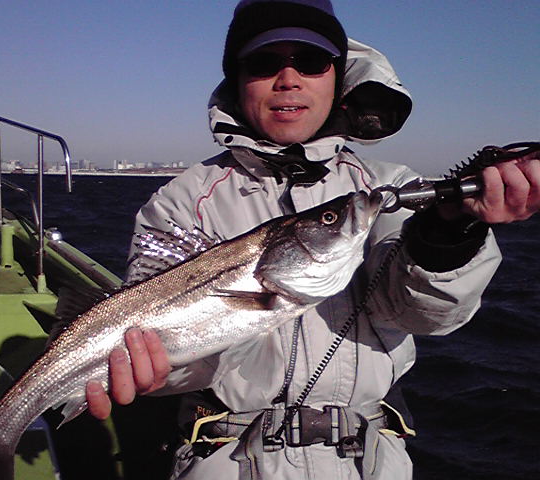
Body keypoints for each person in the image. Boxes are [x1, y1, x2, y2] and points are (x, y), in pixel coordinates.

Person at [86, 1, 540, 478]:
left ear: (340, 79)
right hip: (225, 458)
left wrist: (449, 233)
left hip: (369, 460)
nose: (288, 79)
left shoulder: (389, 188)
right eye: (264, 63)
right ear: (237, 81)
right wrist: (157, 371)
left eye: (311, 61)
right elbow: (182, 357)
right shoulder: (182, 202)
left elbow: (423, 315)